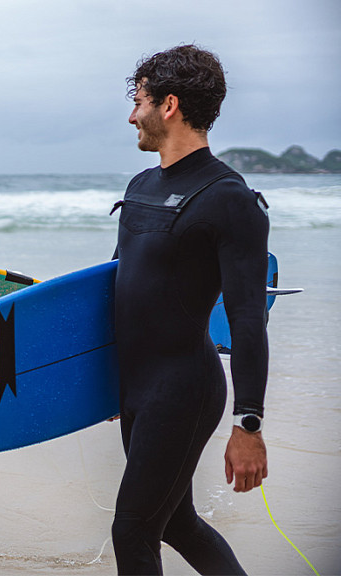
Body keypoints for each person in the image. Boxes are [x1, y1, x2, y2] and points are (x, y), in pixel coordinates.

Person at [110, 45, 270, 575]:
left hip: (183, 388)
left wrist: (248, 422)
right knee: (175, 523)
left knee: (132, 528)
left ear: (169, 104)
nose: (132, 115)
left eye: (139, 101)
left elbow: (247, 318)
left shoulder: (229, 198)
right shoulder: (141, 186)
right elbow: (120, 293)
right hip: (135, 388)